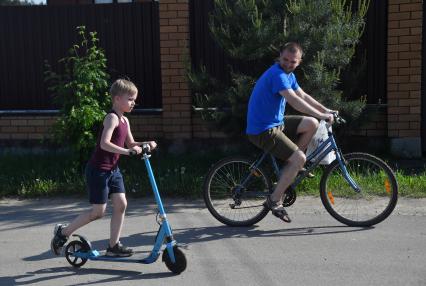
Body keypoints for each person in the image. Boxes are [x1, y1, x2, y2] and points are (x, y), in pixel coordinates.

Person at [51, 79, 157, 257]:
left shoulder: (125, 121)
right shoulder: (112, 118)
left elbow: (131, 143)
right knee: (97, 212)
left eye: (134, 100)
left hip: (113, 171)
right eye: (130, 99)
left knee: (121, 204)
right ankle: (63, 232)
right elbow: (104, 143)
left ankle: (113, 246)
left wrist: (147, 143)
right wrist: (127, 151)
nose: (133, 103)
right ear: (117, 99)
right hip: (98, 170)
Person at [246, 42, 336, 223]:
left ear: (299, 62)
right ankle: (274, 200)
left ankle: (292, 165)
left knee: (311, 123)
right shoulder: (278, 74)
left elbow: (303, 96)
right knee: (299, 158)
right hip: (263, 130)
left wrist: (326, 110)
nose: (288, 63)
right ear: (280, 56)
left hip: (275, 124)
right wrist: (322, 115)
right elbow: (294, 101)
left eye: (292, 61)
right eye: (285, 59)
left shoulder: (289, 75)